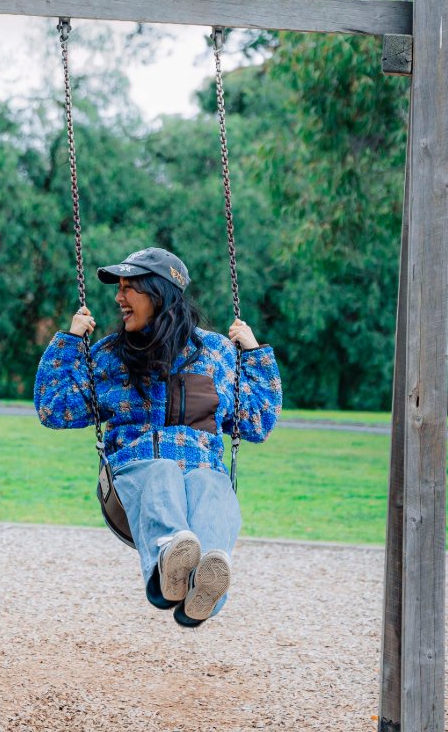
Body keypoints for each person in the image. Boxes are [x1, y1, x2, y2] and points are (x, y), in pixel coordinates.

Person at [34, 247, 281, 626]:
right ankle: (170, 554)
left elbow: (257, 422)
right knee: (163, 471)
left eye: (129, 288)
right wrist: (69, 340)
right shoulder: (110, 356)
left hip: (202, 471)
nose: (118, 298)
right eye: (118, 288)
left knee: (210, 484)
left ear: (159, 293)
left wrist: (253, 353)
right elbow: (54, 407)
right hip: (136, 477)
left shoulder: (215, 352)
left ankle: (207, 578)